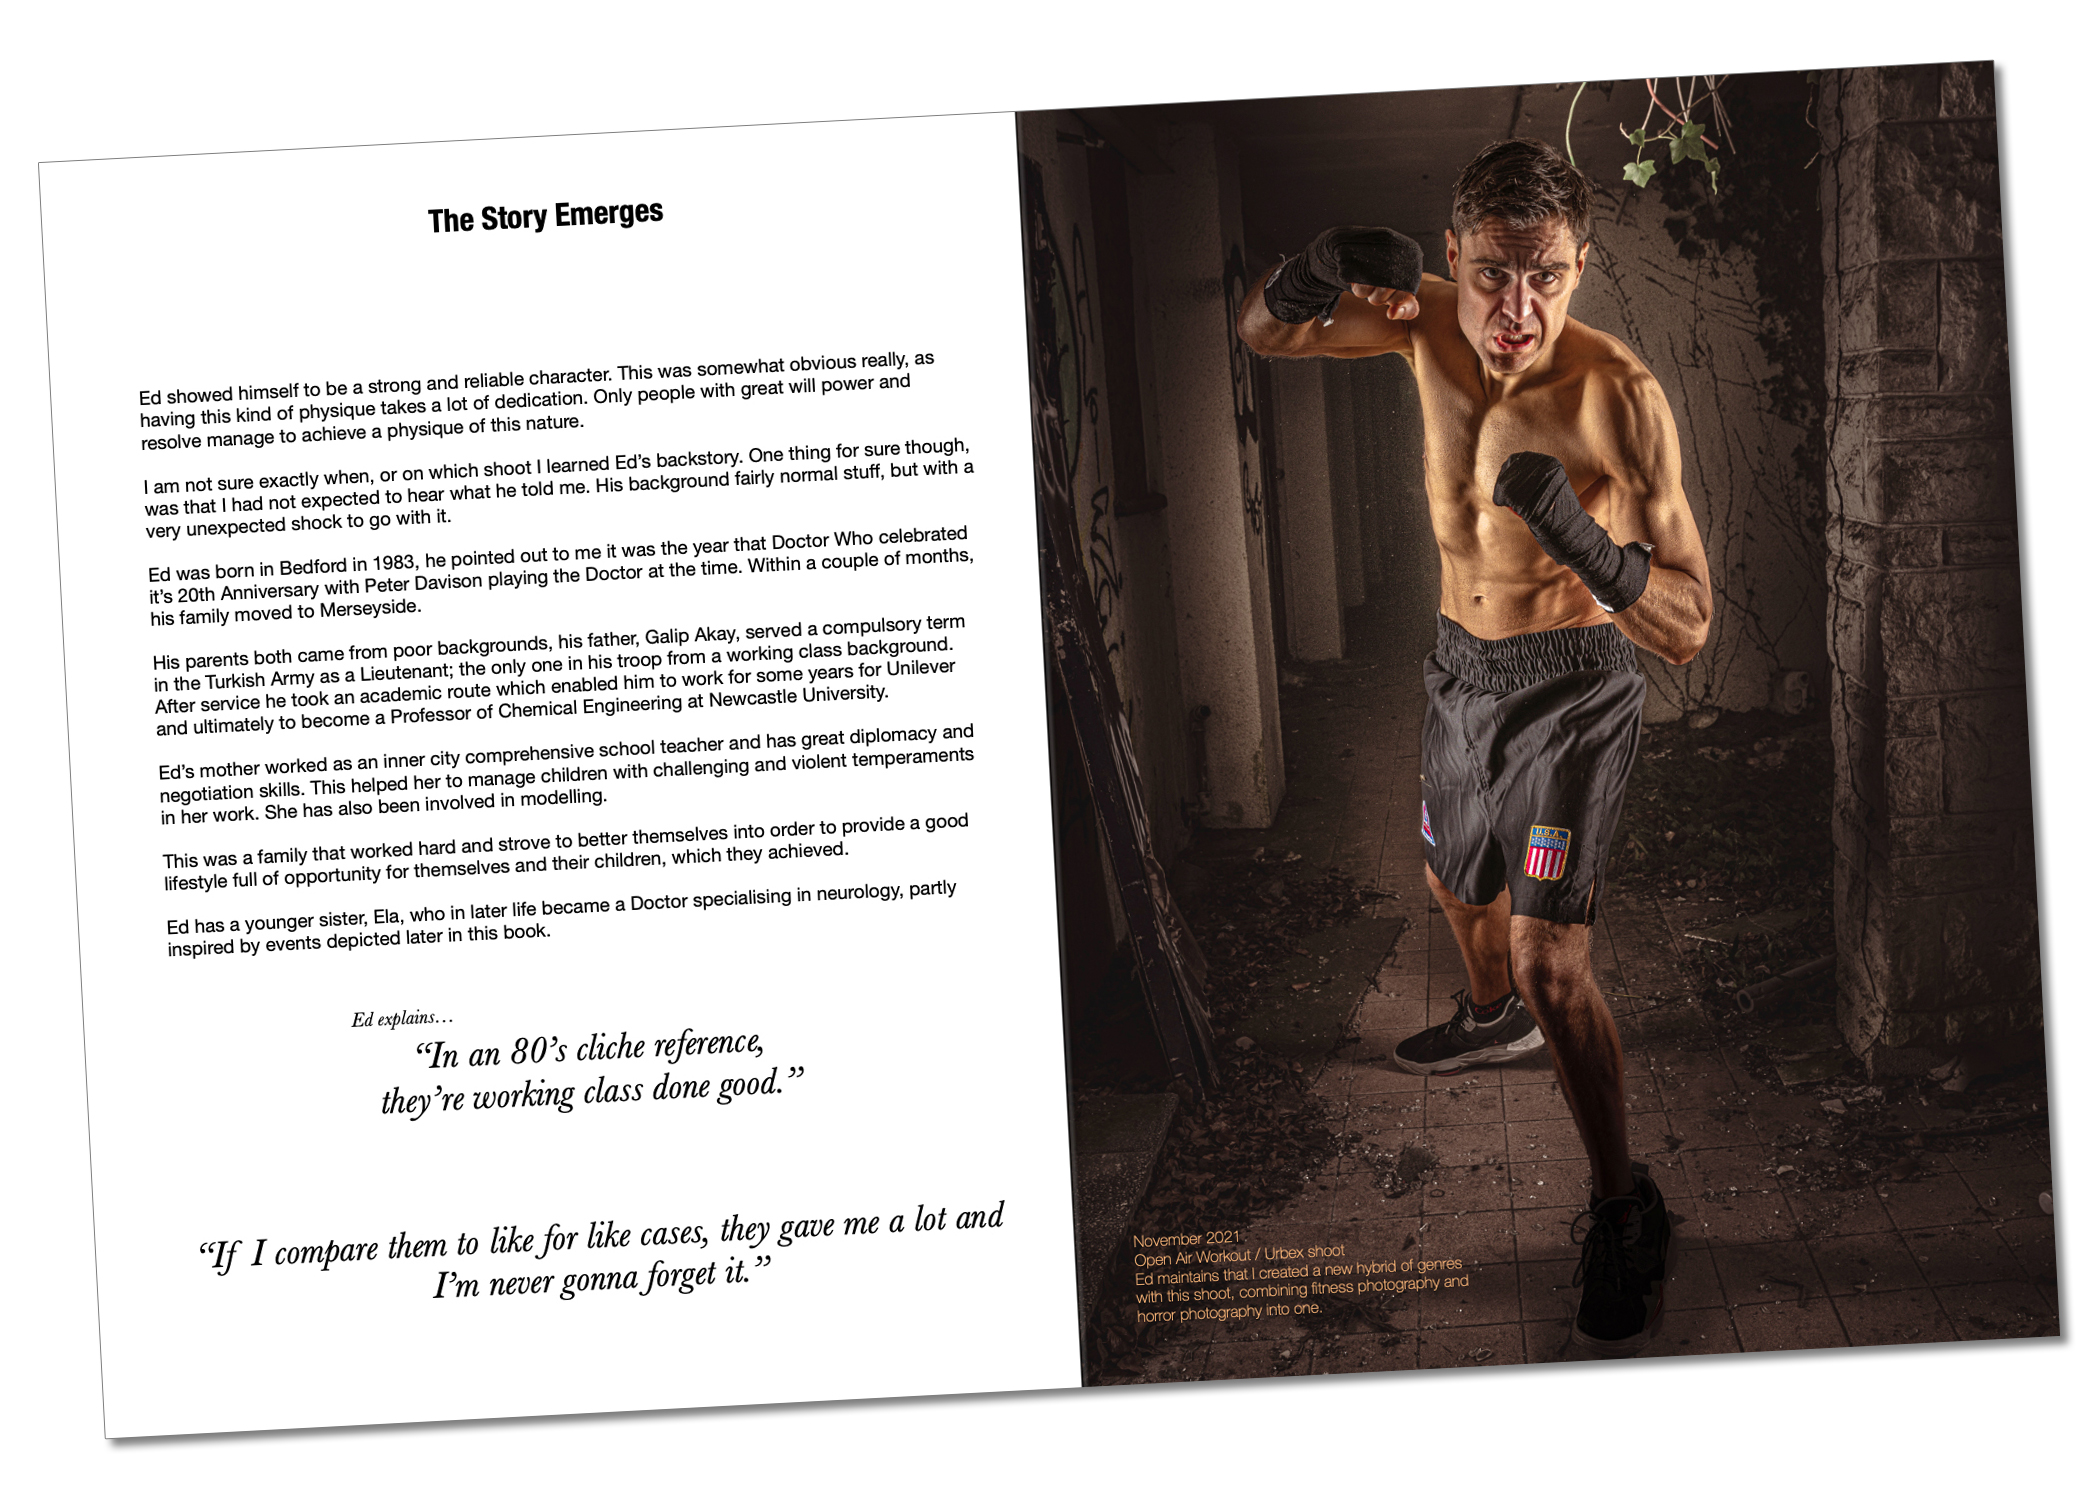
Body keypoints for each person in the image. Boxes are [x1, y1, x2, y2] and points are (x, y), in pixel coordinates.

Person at [1235, 138, 1712, 1355]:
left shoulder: (1623, 396)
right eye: (1493, 275)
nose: (1517, 309)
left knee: (1562, 966)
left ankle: (1622, 1204)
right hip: (1459, 667)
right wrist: (1308, 271)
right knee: (1452, 879)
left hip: (1572, 688)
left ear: (1580, 265)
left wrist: (1591, 549)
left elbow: (1691, 626)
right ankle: (1490, 1011)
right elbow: (1263, 338)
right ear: (1453, 257)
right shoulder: (1424, 323)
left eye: (1546, 277)